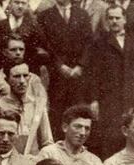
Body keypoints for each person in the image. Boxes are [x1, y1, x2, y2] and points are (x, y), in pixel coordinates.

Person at [85, 4, 134, 158]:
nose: (114, 21)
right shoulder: (99, 42)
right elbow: (94, 74)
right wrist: (94, 99)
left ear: (124, 19)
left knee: (131, 135)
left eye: (117, 18)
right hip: (109, 99)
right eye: (110, 18)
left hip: (131, 98)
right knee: (110, 137)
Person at [37, 0, 92, 138]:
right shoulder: (44, 16)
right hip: (56, 75)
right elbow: (44, 44)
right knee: (57, 115)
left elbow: (89, 43)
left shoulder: (82, 14)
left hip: (78, 75)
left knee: (78, 114)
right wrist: (60, 65)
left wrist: (80, 65)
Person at [0, 60, 52, 154]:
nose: (22, 81)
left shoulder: (38, 106)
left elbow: (47, 142)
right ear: (7, 80)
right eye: (16, 77)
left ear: (30, 78)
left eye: (25, 76)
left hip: (32, 162)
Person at [0, 33, 45, 105]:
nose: (18, 53)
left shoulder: (34, 78)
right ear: (5, 52)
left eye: (21, 49)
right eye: (13, 50)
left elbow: (41, 106)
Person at [0, 0, 42, 73]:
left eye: (23, 3)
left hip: (27, 71)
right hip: (3, 70)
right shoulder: (0, 26)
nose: (20, 6)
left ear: (27, 5)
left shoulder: (34, 26)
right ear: (9, 4)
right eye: (16, 2)